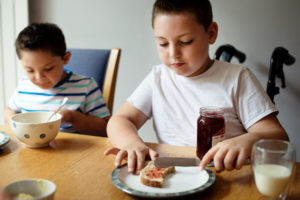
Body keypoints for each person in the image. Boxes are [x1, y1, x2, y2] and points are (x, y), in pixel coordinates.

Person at [104, 0, 288, 173]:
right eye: (163, 43)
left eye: (185, 42)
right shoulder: (158, 78)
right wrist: (131, 143)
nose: (173, 53)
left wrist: (249, 140)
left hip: (224, 174)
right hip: (173, 176)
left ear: (211, 33)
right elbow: (119, 120)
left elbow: (278, 136)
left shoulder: (237, 78)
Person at [5, 23, 109, 136]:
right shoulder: (24, 85)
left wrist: (72, 117)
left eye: (48, 69)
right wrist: (16, 127)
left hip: (73, 150)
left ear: (66, 58)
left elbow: (105, 128)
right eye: (30, 70)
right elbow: (9, 110)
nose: (39, 78)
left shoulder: (86, 86)